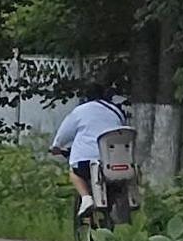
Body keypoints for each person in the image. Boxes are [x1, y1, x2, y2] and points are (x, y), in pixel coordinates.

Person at [51, 83, 132, 216]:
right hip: (115, 160)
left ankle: (86, 198)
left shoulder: (80, 111)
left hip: (86, 161)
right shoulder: (116, 111)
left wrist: (56, 146)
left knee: (74, 172)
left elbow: (64, 133)